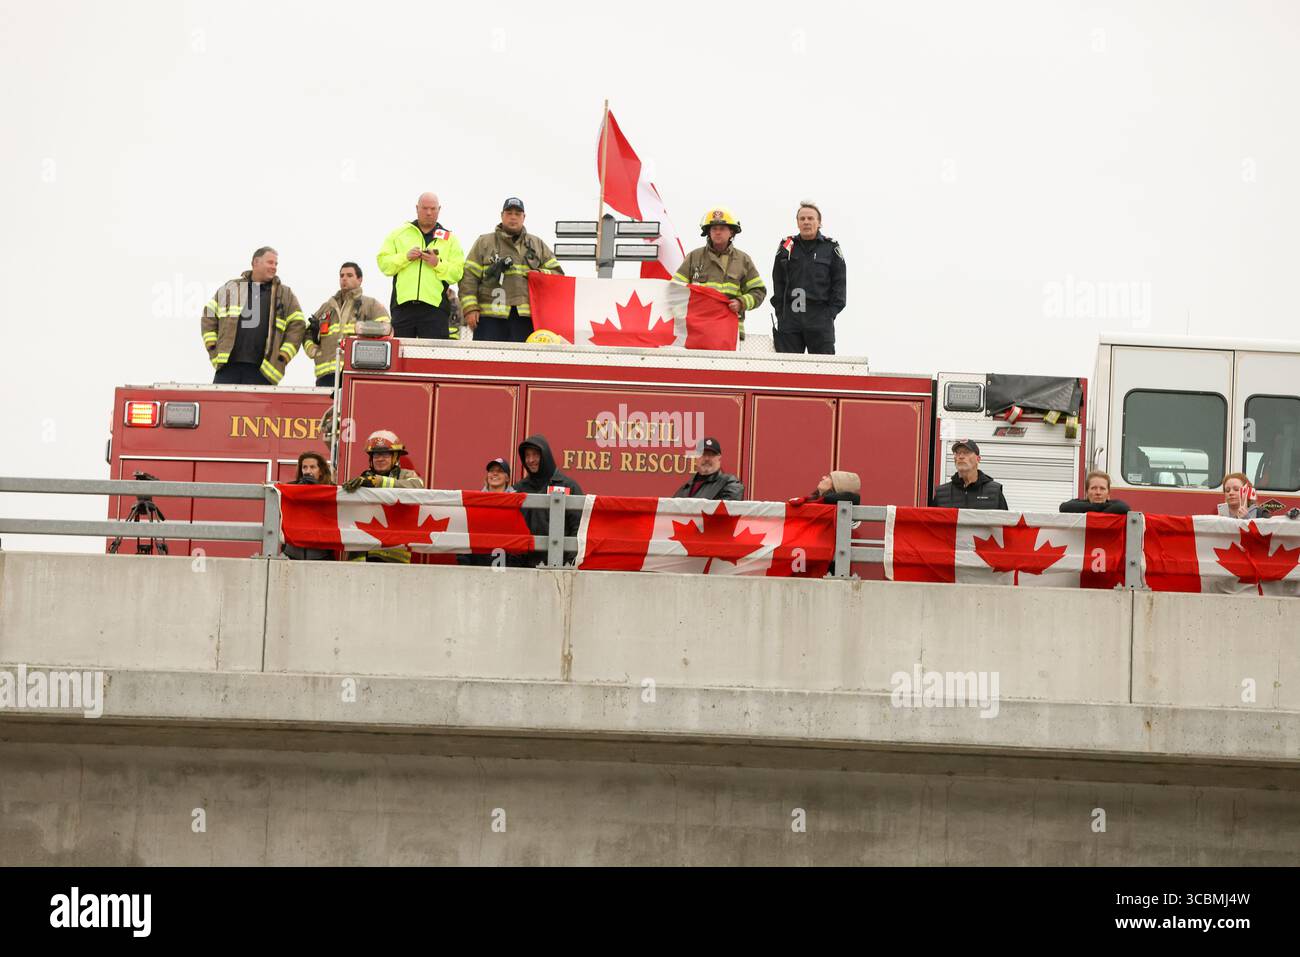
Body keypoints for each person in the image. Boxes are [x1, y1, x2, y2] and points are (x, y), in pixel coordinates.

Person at [460, 198, 563, 342]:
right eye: (509, 213)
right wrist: (470, 308)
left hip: (526, 320)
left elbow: (557, 275)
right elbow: (468, 277)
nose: (513, 217)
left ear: (524, 217)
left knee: (522, 363)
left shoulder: (537, 244)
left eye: (517, 214)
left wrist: (539, 274)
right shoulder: (484, 243)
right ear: (502, 215)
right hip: (489, 318)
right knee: (488, 363)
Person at [201, 246, 306, 385]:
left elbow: (298, 326)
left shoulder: (285, 294)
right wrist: (213, 348)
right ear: (256, 262)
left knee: (260, 408)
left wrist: (283, 356)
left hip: (264, 371)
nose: (274, 267)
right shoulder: (231, 288)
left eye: (276, 264)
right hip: (227, 368)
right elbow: (208, 315)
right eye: (270, 262)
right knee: (223, 406)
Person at [376, 192, 466, 340]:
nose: (429, 212)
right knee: (401, 357)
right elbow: (384, 264)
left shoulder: (450, 239)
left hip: (435, 310)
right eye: (424, 208)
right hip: (403, 307)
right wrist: (405, 257)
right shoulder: (399, 234)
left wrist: (437, 263)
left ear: (439, 209)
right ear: (417, 208)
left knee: (433, 360)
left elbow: (457, 273)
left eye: (433, 208)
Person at [672, 208, 766, 341]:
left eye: (722, 228)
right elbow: (675, 288)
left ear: (731, 232)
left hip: (730, 331)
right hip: (696, 330)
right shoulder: (694, 257)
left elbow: (759, 291)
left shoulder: (743, 260)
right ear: (708, 232)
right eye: (714, 228)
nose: (717, 232)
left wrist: (741, 303)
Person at [770, 201, 846, 355]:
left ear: (819, 222)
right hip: (790, 317)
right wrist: (781, 312)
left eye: (810, 219)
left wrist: (830, 313)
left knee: (823, 370)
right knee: (787, 370)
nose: (806, 222)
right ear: (797, 223)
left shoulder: (831, 248)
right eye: (802, 219)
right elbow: (777, 279)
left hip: (820, 317)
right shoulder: (787, 245)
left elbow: (839, 283)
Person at [341, 431, 425, 563]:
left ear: (396, 457)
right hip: (361, 557)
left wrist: (379, 482)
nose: (380, 459)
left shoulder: (406, 475)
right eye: (376, 455)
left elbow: (418, 486)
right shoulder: (361, 480)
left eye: (385, 454)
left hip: (393, 555)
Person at [306, 262, 389, 387]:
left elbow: (386, 328)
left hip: (355, 372)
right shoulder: (327, 307)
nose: (344, 278)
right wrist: (313, 350)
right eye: (342, 275)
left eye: (349, 275)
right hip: (325, 375)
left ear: (360, 279)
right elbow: (307, 332)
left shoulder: (370, 304)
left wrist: (360, 328)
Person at [512, 435, 583, 566]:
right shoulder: (518, 489)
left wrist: (569, 563)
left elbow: (578, 527)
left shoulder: (568, 486)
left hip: (559, 566)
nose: (530, 460)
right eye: (527, 456)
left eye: (535, 455)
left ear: (545, 456)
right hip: (524, 568)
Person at [458, 457, 517, 567]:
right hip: (478, 564)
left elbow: (519, 538)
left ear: (507, 478)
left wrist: (513, 567)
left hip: (506, 566)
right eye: (491, 471)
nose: (494, 474)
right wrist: (464, 564)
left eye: (499, 471)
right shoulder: (475, 500)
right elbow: (465, 532)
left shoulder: (515, 502)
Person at [806, 470, 861, 577]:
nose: (823, 477)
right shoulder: (816, 501)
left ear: (837, 486)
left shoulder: (836, 505)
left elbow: (850, 498)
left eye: (828, 477)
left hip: (828, 571)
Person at [283, 452, 336, 561]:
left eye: (312, 467)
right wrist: (299, 490)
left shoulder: (331, 490)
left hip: (322, 555)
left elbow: (332, 516)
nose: (308, 471)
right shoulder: (290, 488)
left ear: (320, 471)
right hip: (292, 554)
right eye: (304, 467)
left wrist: (317, 489)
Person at [930, 439, 1009, 509]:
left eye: (966, 452)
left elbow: (1005, 523)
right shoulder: (942, 493)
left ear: (978, 459)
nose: (961, 456)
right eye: (957, 453)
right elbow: (932, 524)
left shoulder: (994, 491)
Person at [671, 437, 744, 500]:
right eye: (703, 454)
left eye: (711, 455)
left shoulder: (730, 484)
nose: (706, 458)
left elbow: (725, 511)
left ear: (719, 458)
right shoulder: (685, 489)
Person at [1060, 470, 1130, 514]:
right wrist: (1099, 508)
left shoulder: (1116, 504)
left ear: (1108, 493)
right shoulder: (1078, 503)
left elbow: (1124, 508)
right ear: (1087, 492)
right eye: (1093, 488)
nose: (1098, 492)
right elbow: (1064, 507)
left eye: (1102, 488)